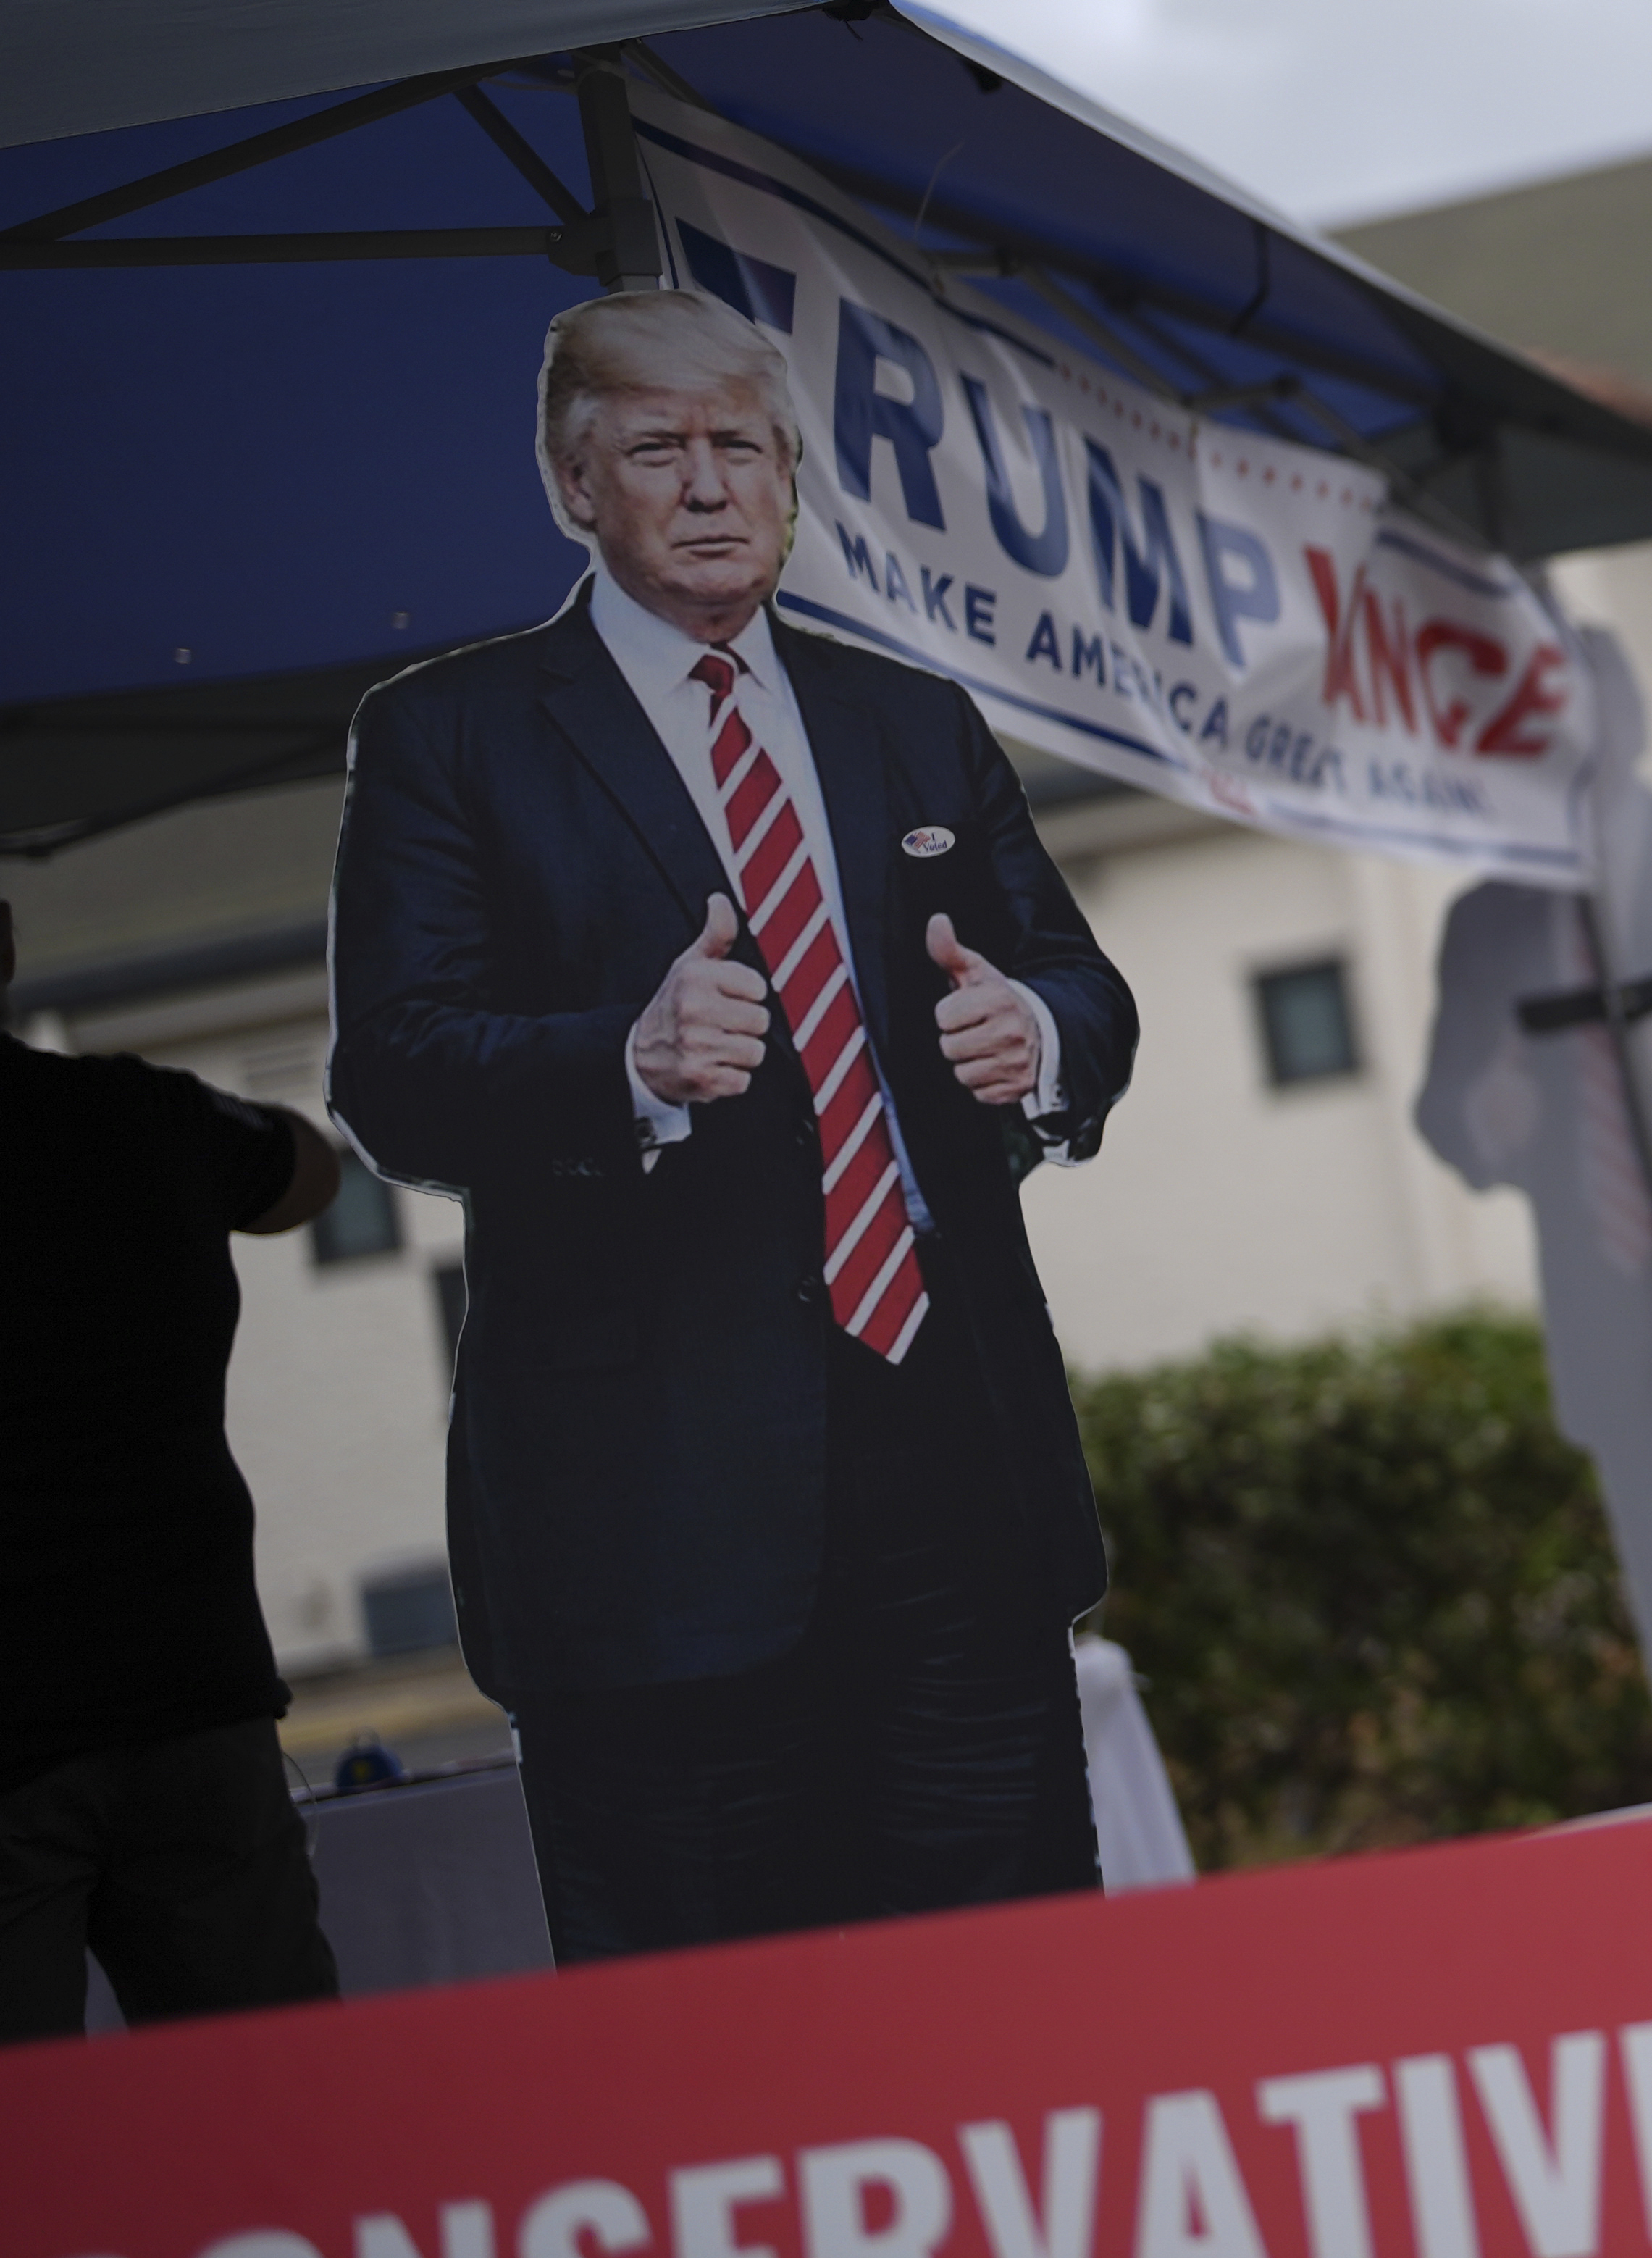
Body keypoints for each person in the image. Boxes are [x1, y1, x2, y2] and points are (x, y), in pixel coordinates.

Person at [330, 288, 1137, 1961]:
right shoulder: (445, 738)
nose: (708, 486)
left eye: (740, 447)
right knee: (735, 2059)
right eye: (656, 448)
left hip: (957, 1479)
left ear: (789, 474)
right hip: (652, 1537)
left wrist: (1037, 1027)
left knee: (1026, 2007)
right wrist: (617, 1057)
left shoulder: (909, 719)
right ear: (573, 483)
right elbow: (394, 1074)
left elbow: (1081, 977)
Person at [0, 899, 348, 2042]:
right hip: (192, 1697)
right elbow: (308, 1168)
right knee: (274, 2120)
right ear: (7, 941)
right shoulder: (137, 1116)